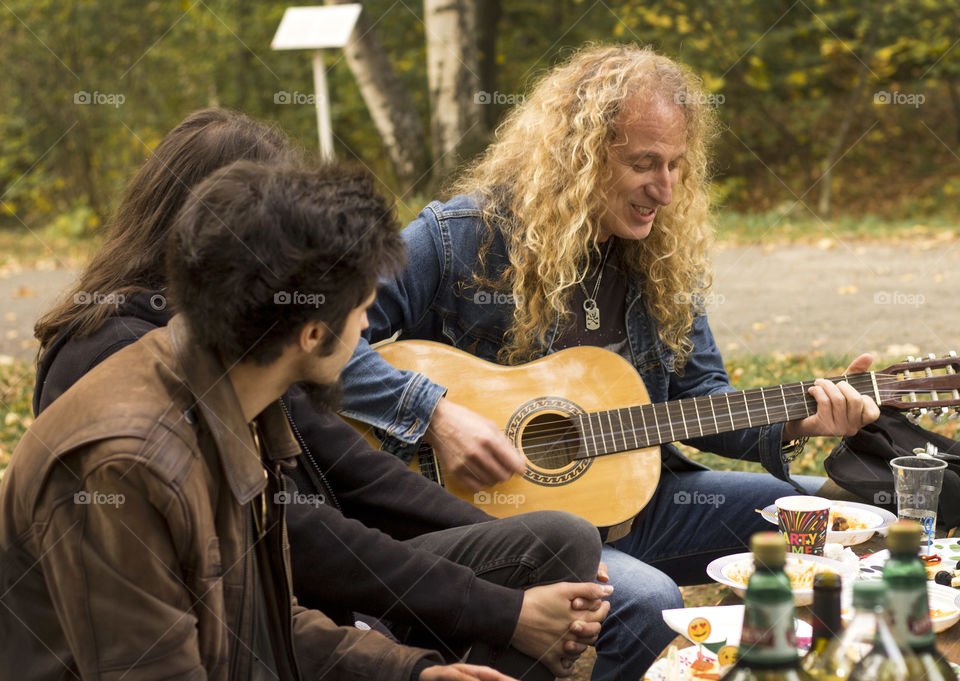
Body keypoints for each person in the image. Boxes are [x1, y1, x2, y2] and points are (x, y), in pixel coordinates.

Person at [337, 44, 882, 679]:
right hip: (501, 529)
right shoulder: (458, 240)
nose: (668, 190)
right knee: (652, 602)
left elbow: (704, 398)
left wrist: (799, 422)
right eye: (644, 164)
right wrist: (435, 417)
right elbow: (319, 337)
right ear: (577, 156)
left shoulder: (660, 259)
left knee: (832, 520)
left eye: (678, 165)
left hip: (648, 505)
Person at [28, 110, 610, 679]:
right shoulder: (133, 450)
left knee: (556, 544)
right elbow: (193, 646)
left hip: (290, 621)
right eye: (361, 311)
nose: (367, 336)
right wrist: (492, 611)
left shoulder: (238, 375)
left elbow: (262, 610)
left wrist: (415, 670)